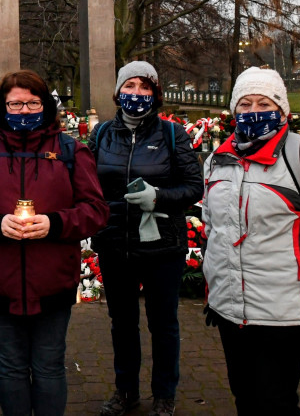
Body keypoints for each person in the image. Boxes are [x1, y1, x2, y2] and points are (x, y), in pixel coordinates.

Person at [0, 69, 108, 416]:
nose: (23, 111)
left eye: (32, 103)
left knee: (49, 366)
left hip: (52, 280)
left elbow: (96, 211)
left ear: (46, 105)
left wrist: (55, 223)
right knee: (11, 368)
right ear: (1, 107)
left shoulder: (70, 151)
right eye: (15, 103)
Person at [202, 67, 300, 415]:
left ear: (283, 111)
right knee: (245, 398)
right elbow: (212, 227)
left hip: (282, 314)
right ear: (233, 112)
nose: (253, 111)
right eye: (245, 104)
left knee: (276, 404)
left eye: (264, 103)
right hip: (231, 310)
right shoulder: (217, 160)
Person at [88, 62, 203, 416]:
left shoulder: (173, 134)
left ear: (155, 93)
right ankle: (126, 391)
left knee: (163, 323)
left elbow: (193, 187)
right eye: (130, 85)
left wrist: (159, 197)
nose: (136, 93)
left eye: (145, 87)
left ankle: (164, 394)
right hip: (115, 243)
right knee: (122, 323)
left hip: (162, 246)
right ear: (119, 91)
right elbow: (87, 185)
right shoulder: (102, 134)